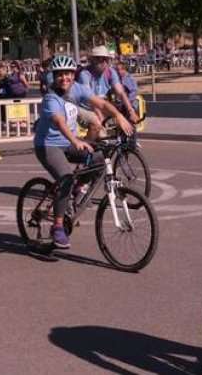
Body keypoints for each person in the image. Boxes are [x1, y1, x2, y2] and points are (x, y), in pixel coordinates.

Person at [33, 54, 134, 249]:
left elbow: (101, 103)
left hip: (68, 142)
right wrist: (76, 141)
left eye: (68, 74)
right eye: (60, 75)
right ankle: (58, 227)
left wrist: (119, 115)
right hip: (48, 146)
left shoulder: (76, 88)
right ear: (54, 76)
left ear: (73, 75)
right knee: (65, 177)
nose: (65, 78)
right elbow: (59, 122)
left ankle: (78, 187)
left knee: (98, 160)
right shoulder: (50, 98)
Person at [78, 45, 134, 133]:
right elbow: (90, 99)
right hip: (86, 108)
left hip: (101, 106)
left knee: (125, 120)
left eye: (105, 59)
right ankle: (88, 144)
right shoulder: (85, 74)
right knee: (100, 131)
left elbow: (121, 93)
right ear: (92, 61)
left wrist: (131, 112)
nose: (103, 62)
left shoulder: (110, 72)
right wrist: (100, 116)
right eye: (99, 59)